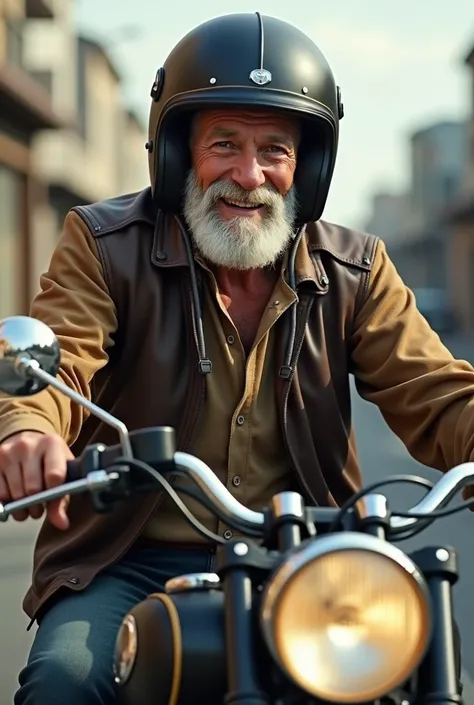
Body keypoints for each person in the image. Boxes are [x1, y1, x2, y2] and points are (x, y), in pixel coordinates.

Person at [0, 11, 469, 705]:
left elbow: (434, 389)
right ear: (177, 153)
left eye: (274, 150)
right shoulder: (103, 245)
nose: (248, 176)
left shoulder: (356, 269)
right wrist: (29, 429)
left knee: (413, 669)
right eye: (224, 144)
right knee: (64, 680)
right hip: (130, 556)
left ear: (306, 167)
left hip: (309, 550)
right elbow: (58, 363)